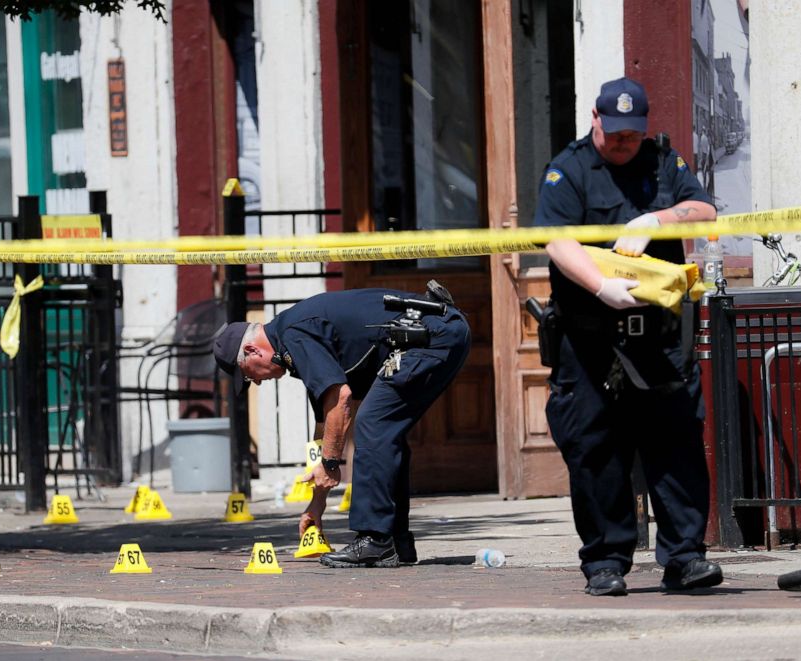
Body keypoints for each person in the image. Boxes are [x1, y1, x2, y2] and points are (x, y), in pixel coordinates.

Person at [533, 77, 722, 596]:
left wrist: (655, 218)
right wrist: (600, 285)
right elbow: (556, 238)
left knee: (676, 443)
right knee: (596, 450)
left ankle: (685, 557)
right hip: (590, 335)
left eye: (631, 136)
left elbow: (704, 210)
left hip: (659, 334)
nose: (622, 144)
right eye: (614, 134)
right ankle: (605, 561)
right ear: (595, 118)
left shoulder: (664, 161)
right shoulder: (567, 170)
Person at [214, 286, 470, 568]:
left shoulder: (294, 335)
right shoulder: (292, 340)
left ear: (251, 350)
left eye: (248, 375)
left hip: (431, 337)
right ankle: (396, 541)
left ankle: (375, 539)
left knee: (373, 424)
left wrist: (331, 464)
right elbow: (325, 424)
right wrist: (317, 502)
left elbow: (341, 400)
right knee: (384, 432)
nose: (258, 382)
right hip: (439, 333)